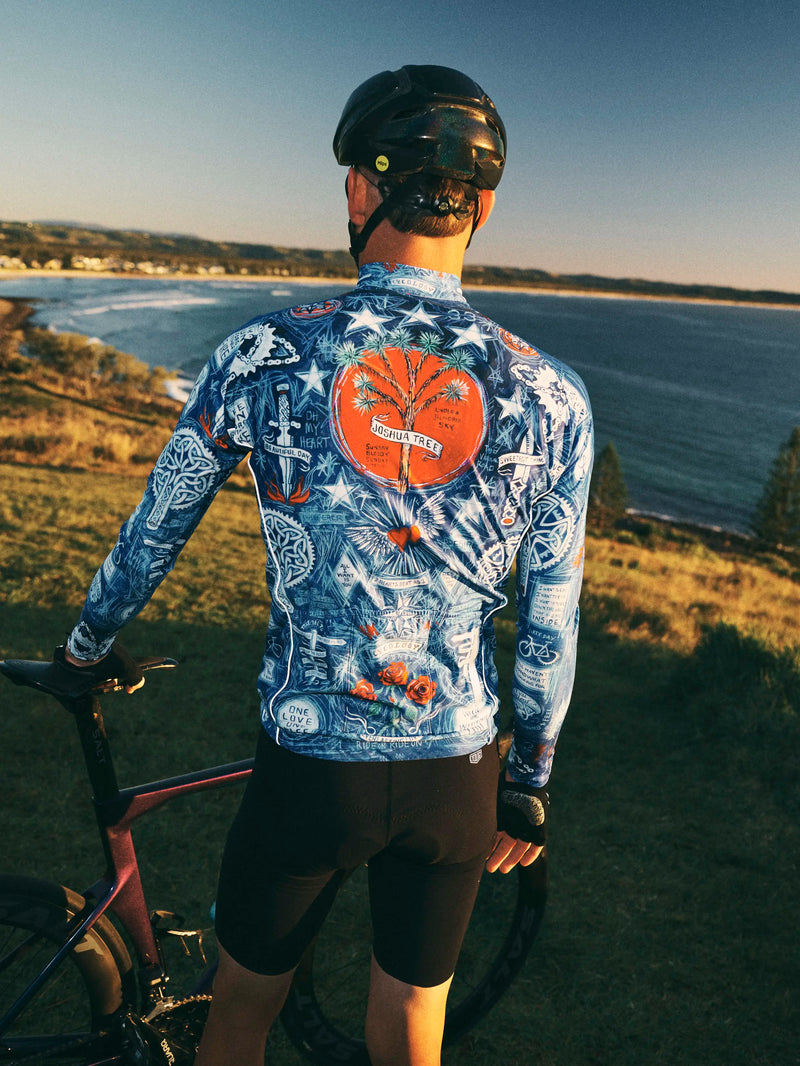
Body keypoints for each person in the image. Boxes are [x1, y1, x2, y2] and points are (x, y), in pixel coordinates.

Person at [60, 65, 593, 1065]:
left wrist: (88, 640)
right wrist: (528, 779)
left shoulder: (266, 351)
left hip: (312, 763)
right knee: (408, 1028)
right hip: (457, 771)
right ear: (481, 205)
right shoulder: (549, 393)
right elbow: (550, 616)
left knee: (240, 1016)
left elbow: (157, 525)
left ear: (358, 190)